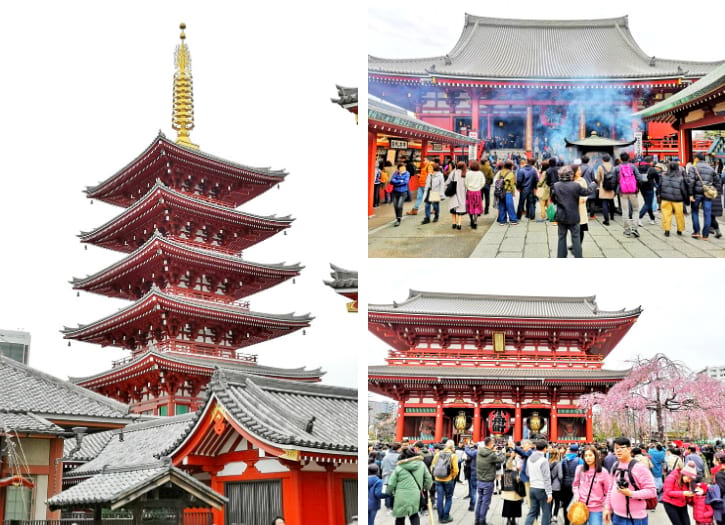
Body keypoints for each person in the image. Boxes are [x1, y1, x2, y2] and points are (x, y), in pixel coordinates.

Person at [604, 436, 657, 525]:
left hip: (635, 518)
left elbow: (652, 491)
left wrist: (631, 494)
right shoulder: (615, 466)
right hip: (616, 516)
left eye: (622, 448)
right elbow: (610, 488)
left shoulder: (639, 468)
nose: (618, 450)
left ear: (629, 449)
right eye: (616, 448)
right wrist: (608, 508)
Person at [551, 165, 597, 258]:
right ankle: (578, 257)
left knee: (561, 238)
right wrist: (593, 184)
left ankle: (561, 257)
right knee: (576, 238)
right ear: (571, 175)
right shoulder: (575, 185)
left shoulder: (556, 185)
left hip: (561, 216)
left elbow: (553, 199)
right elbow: (587, 192)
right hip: (574, 217)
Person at [386, 446, 434, 525]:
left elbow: (391, 483)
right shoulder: (421, 464)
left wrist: (388, 492)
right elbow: (429, 479)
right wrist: (425, 488)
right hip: (416, 494)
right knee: (414, 515)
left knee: (400, 517)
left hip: (400, 495)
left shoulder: (399, 467)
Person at [571, 446, 611, 525]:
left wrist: (607, 506)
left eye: (590, 455)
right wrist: (576, 495)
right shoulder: (580, 469)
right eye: (586, 456)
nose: (588, 458)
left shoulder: (603, 472)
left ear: (595, 456)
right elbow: (575, 485)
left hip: (596, 509)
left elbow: (608, 491)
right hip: (581, 507)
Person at [688, 152, 719, 239]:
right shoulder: (711, 168)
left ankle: (696, 232)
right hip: (707, 194)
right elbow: (717, 181)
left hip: (696, 193)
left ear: (697, 158)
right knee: (707, 213)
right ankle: (705, 235)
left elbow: (691, 182)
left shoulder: (693, 168)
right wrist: (713, 189)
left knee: (695, 211)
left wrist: (690, 194)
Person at [476, 437, 506, 525]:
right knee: (485, 502)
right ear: (490, 444)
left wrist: (492, 450)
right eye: (493, 443)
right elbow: (500, 460)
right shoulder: (491, 455)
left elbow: (489, 455)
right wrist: (503, 453)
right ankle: (482, 521)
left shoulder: (479, 452)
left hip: (480, 480)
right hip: (488, 481)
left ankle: (477, 520)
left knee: (480, 501)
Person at [524, 439, 553, 525]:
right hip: (542, 489)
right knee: (546, 513)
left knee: (532, 512)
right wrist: (549, 493)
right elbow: (547, 478)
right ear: (545, 449)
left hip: (532, 487)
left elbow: (527, 472)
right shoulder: (543, 460)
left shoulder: (529, 459)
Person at [431, 440, 459, 523]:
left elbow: (432, 466)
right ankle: (446, 516)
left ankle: (440, 517)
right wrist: (452, 476)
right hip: (448, 479)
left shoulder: (438, 454)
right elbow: (456, 470)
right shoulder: (453, 455)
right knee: (448, 497)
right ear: (453, 446)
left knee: (440, 498)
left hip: (438, 479)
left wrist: (435, 475)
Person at [662, 460, 698, 525]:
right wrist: (683, 493)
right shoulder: (672, 477)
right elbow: (667, 492)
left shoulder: (686, 482)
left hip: (682, 504)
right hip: (670, 504)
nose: (689, 481)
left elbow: (688, 497)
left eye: (691, 479)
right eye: (689, 478)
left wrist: (692, 496)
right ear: (684, 474)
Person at [658, 161, 689, 237]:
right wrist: (686, 199)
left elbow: (660, 187)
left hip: (665, 198)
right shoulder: (680, 177)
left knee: (666, 214)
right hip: (677, 199)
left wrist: (659, 196)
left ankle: (667, 230)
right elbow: (683, 190)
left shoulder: (663, 176)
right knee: (679, 215)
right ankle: (680, 230)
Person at [615, 152, 641, 236]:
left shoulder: (617, 168)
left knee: (625, 211)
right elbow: (639, 178)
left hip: (623, 192)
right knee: (636, 209)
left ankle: (627, 230)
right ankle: (634, 228)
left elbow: (613, 179)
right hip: (633, 191)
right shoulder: (633, 166)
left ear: (620, 159)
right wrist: (637, 187)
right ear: (629, 158)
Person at [558, 444, 583, 525]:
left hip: (565, 486)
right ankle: (574, 521)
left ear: (569, 450)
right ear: (577, 451)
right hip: (576, 486)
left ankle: (566, 522)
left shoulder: (563, 460)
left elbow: (560, 474)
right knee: (575, 504)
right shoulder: (580, 460)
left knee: (565, 505)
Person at [501, 449, 524, 525]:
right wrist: (511, 457)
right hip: (509, 481)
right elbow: (507, 466)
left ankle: (513, 519)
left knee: (516, 503)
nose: (514, 454)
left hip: (517, 481)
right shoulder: (509, 460)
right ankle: (508, 520)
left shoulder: (520, 459)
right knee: (508, 502)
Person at [596, 154, 617, 225]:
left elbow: (598, 178)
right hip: (611, 187)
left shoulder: (600, 167)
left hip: (604, 187)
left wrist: (598, 185)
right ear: (609, 159)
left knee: (604, 203)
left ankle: (606, 220)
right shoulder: (613, 167)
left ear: (602, 160)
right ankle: (612, 216)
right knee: (611, 202)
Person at [496, 160, 519, 225]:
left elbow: (498, 180)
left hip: (501, 191)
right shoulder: (511, 173)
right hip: (508, 191)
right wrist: (513, 192)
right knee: (510, 206)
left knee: (501, 205)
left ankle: (502, 221)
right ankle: (513, 220)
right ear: (511, 166)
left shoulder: (501, 172)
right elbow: (512, 184)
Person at [638, 156, 660, 225]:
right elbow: (657, 179)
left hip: (642, 188)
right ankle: (639, 217)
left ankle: (652, 218)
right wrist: (657, 186)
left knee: (647, 203)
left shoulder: (639, 168)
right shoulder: (652, 169)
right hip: (649, 188)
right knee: (648, 203)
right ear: (651, 161)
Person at [447, 161, 468, 230]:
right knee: (460, 209)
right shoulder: (465, 173)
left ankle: (454, 223)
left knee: (453, 209)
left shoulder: (453, 173)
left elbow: (448, 182)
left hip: (454, 193)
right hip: (462, 194)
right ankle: (459, 224)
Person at [465, 160, 486, 229]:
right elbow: (483, 182)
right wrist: (479, 187)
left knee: (470, 206)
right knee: (476, 206)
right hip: (477, 192)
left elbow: (465, 183)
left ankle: (471, 220)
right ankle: (475, 221)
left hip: (470, 191)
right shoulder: (480, 173)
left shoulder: (468, 173)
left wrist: (468, 187)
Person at [381, 443, 402, 510]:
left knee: (387, 490)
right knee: (395, 491)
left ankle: (388, 505)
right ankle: (394, 505)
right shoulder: (399, 456)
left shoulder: (386, 456)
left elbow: (382, 466)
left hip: (386, 476)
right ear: (398, 449)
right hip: (395, 476)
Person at [548, 447, 564, 524]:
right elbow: (560, 476)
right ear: (558, 454)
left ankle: (549, 516)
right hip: (557, 486)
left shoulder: (548, 462)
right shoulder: (559, 464)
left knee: (550, 502)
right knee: (557, 502)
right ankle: (554, 516)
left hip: (549, 486)